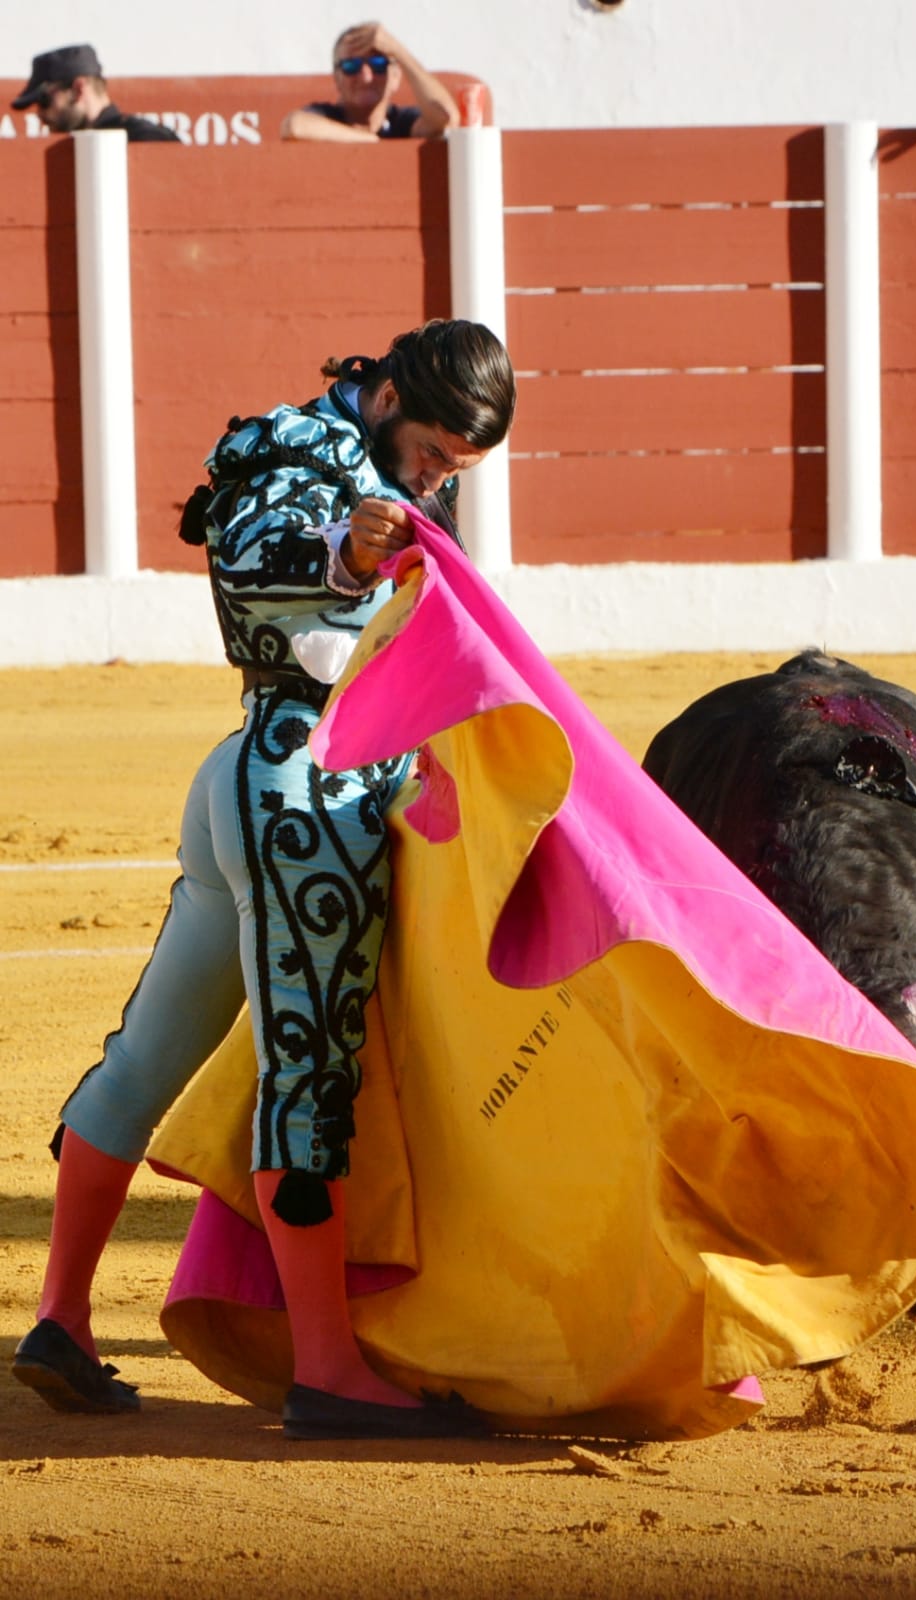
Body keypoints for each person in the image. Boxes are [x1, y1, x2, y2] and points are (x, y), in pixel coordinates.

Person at [11, 319, 516, 1441]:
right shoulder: (303, 453)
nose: (432, 476)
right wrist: (348, 551)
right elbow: (251, 562)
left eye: (453, 467)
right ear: (387, 396)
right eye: (432, 449)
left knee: (150, 1054)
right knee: (310, 1073)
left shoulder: (371, 467)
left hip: (261, 775)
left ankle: (61, 1319)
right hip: (304, 797)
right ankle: (329, 1366)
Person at [281, 20, 460, 143]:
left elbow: (445, 118)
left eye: (378, 64)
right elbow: (295, 126)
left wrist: (399, 51)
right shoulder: (329, 116)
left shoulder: (400, 121)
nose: (366, 77)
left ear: (395, 78)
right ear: (336, 79)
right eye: (351, 66)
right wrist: (368, 140)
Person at [11, 43, 181, 143]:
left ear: (78, 89)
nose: (39, 113)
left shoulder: (146, 139)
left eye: (44, 100)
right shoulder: (69, 149)